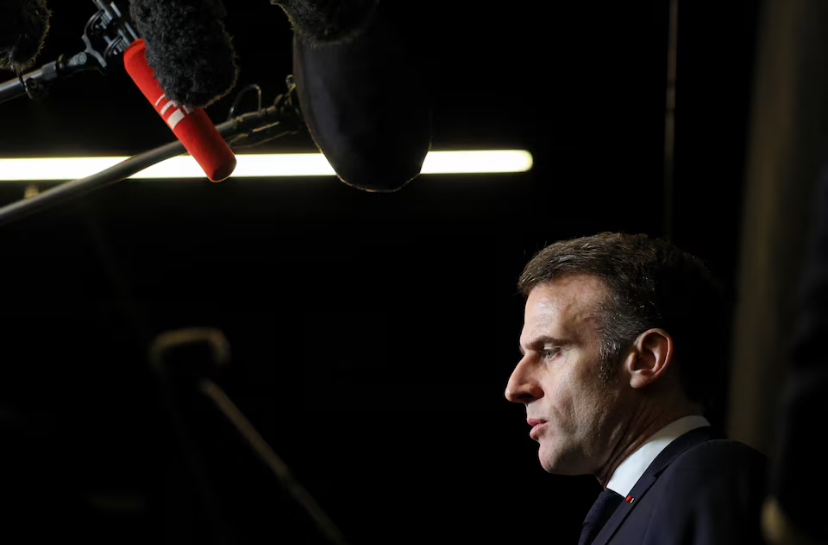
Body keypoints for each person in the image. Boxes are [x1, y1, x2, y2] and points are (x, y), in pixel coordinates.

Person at [505, 232, 768, 545]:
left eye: (550, 351)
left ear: (647, 359)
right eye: (525, 355)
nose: (515, 387)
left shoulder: (710, 477)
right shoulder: (643, 498)